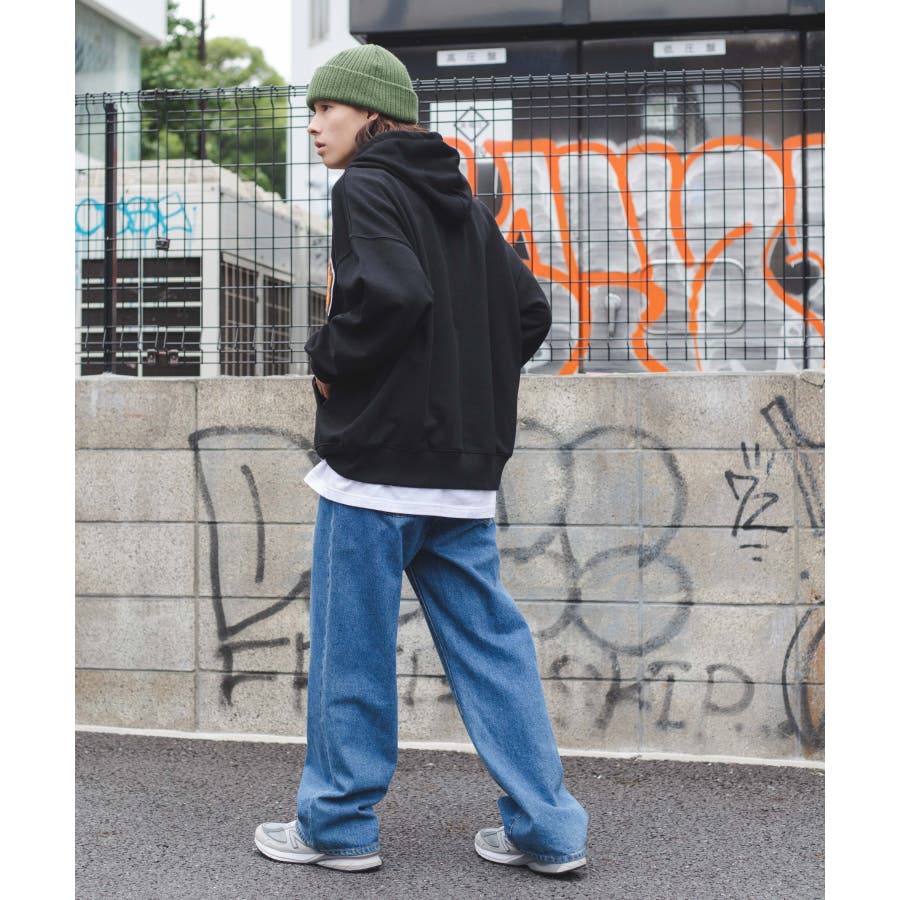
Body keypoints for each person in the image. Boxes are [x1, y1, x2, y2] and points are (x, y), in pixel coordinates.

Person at [254, 44, 589, 875]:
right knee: (492, 648)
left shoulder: (364, 188)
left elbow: (394, 295)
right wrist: (467, 392)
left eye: (326, 109)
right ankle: (549, 831)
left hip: (375, 472)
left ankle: (338, 827)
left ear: (370, 113)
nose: (313, 126)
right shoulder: (462, 204)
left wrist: (327, 358)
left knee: (352, 653)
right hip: (462, 477)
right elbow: (531, 312)